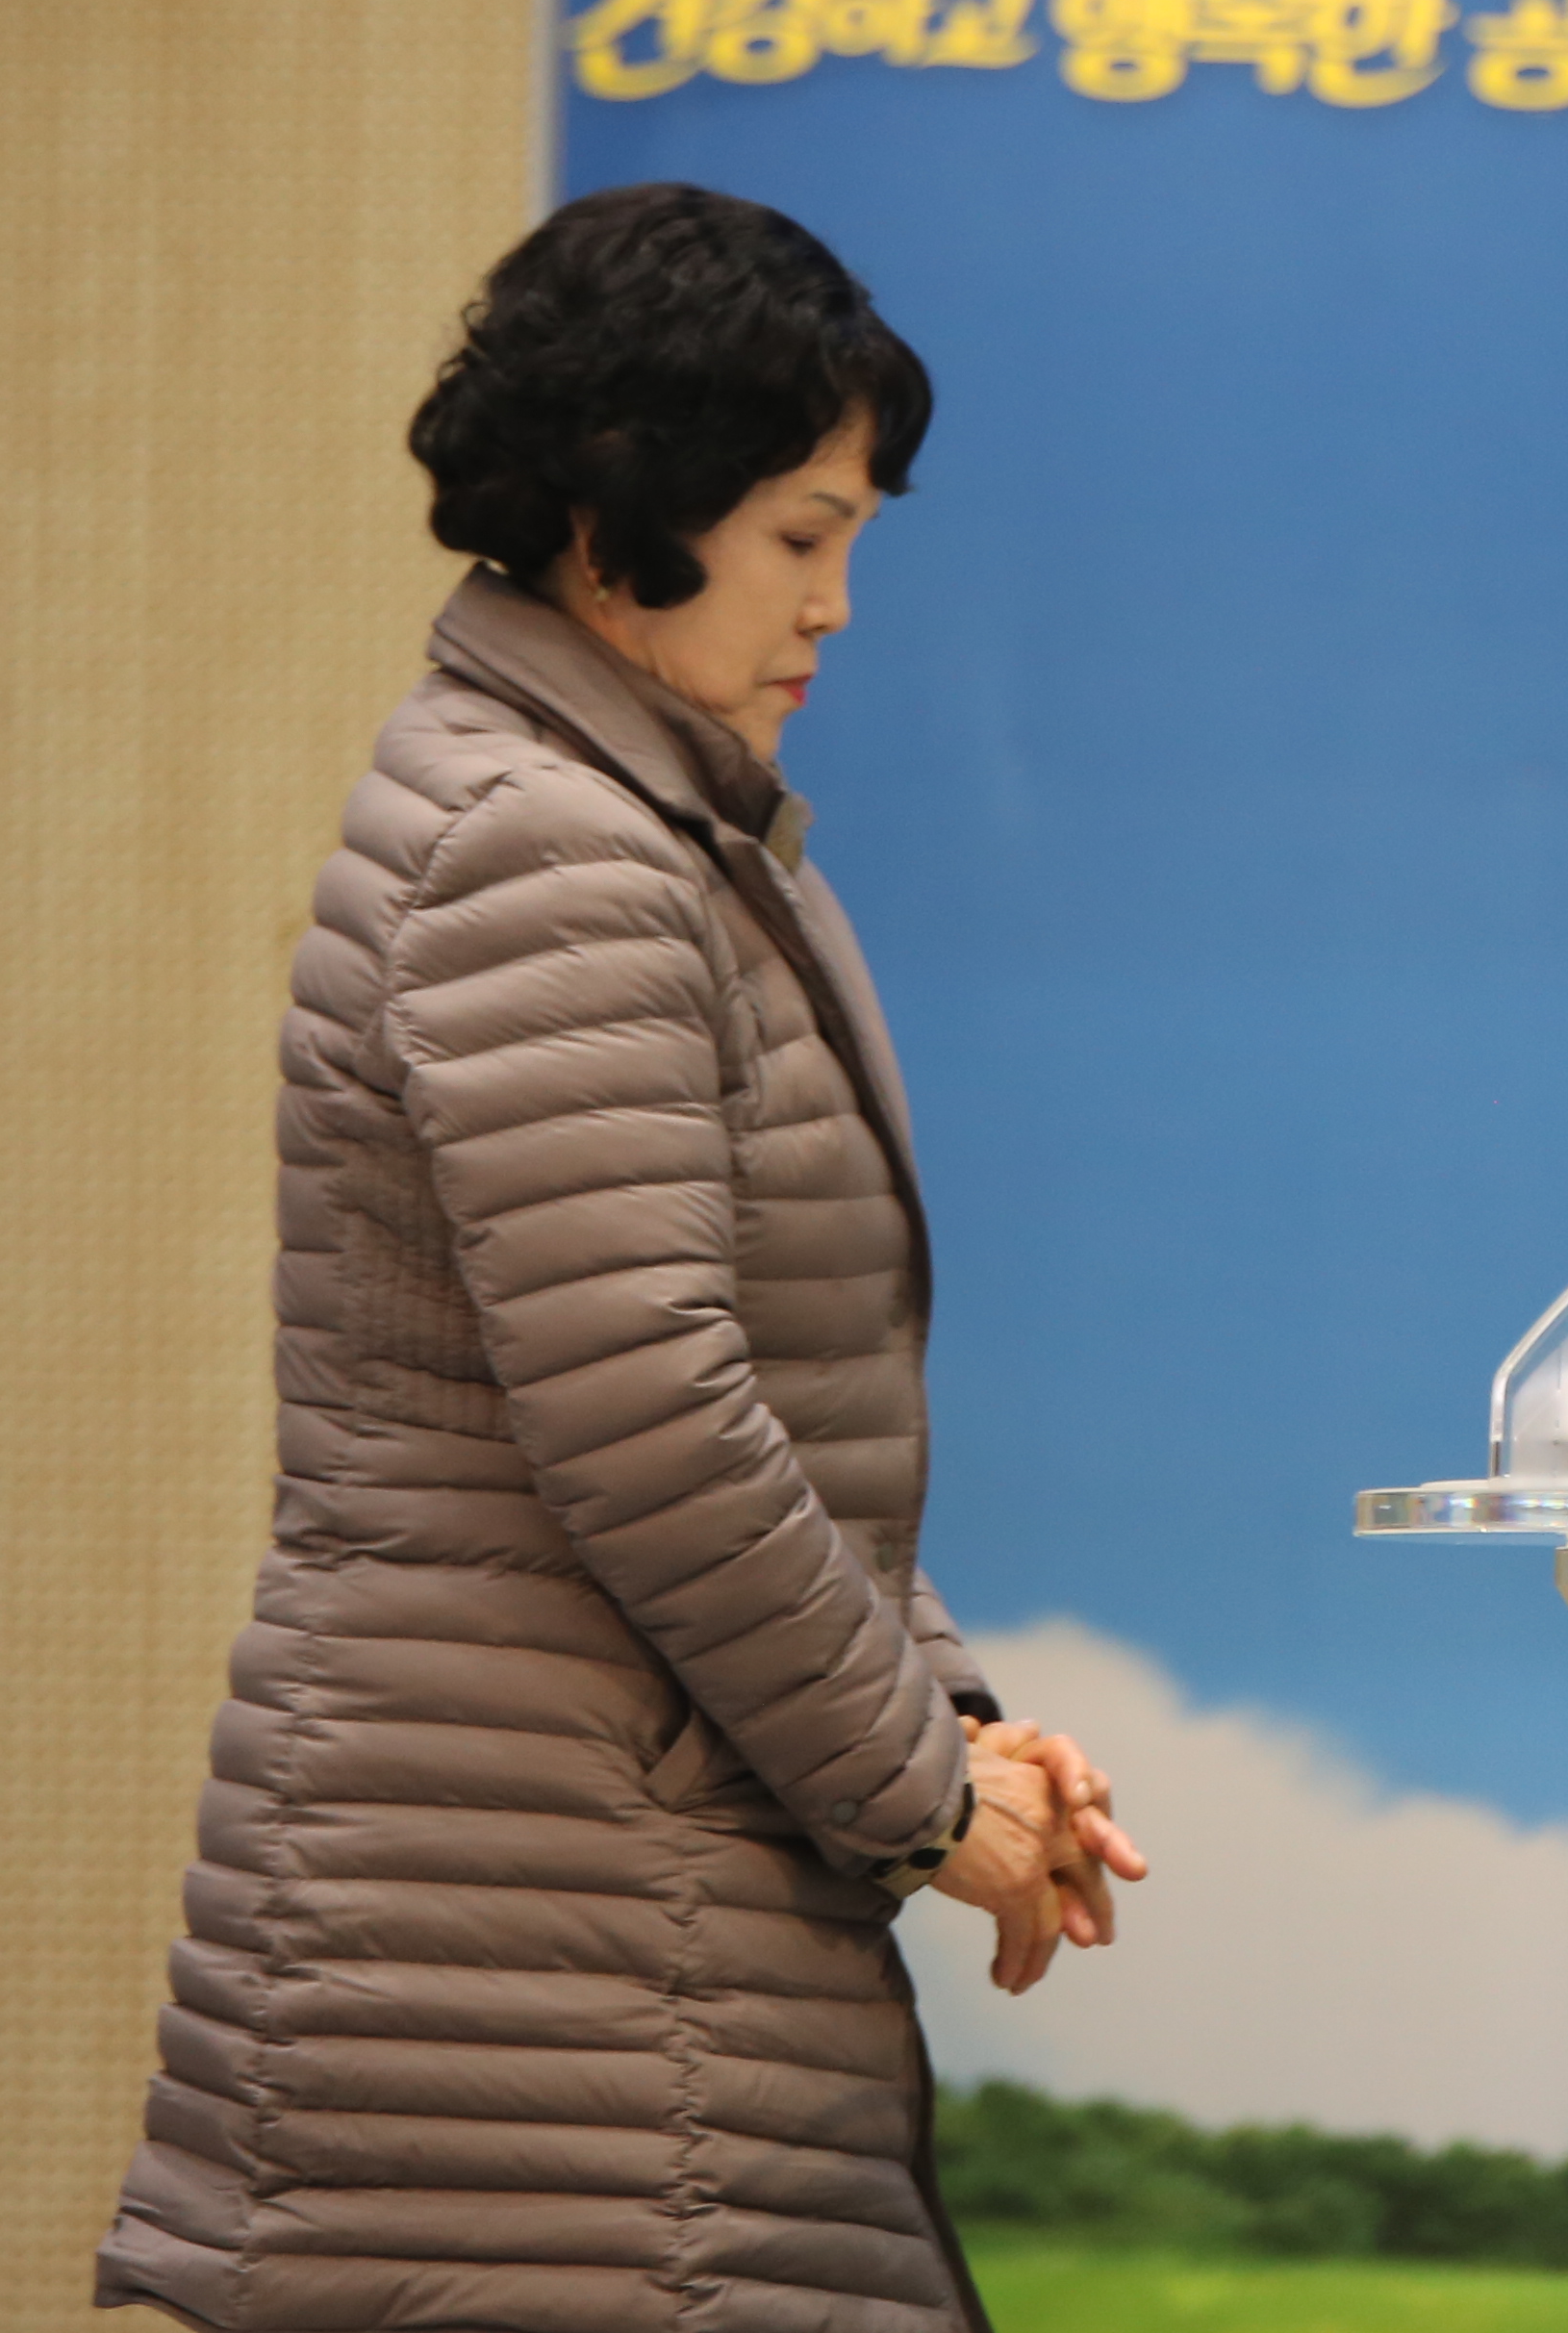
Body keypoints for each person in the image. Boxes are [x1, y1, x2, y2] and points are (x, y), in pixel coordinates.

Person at [101, 183, 1147, 2333]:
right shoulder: (553, 848)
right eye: (797, 535)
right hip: (541, 1933)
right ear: (616, 517)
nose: (836, 604)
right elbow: (657, 1421)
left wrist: (961, 1728)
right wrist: (919, 1793)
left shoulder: (639, 814)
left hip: (595, 1889)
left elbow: (767, 1414)